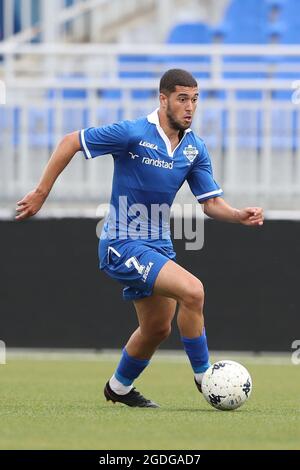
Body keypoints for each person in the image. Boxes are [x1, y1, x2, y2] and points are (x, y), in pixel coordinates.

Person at [16, 69, 264, 408]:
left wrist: (236, 215)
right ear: (163, 99)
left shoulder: (194, 148)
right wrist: (42, 192)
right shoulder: (133, 132)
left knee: (157, 328)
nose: (189, 107)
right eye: (181, 99)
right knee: (193, 291)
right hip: (121, 242)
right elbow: (71, 141)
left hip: (157, 244)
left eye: (194, 99)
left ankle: (118, 389)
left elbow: (210, 203)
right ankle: (206, 377)